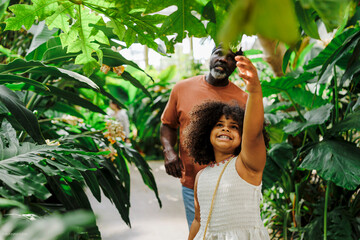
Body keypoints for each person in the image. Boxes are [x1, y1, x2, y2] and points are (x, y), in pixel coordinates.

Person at [160, 44, 248, 228]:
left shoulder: (243, 99)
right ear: (210, 56)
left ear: (236, 65)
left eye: (231, 57)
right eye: (218, 53)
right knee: (198, 233)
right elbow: (167, 124)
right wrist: (169, 151)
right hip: (192, 184)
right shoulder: (182, 88)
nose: (223, 59)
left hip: (228, 185)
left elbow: (249, 141)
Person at [185, 55, 270, 239]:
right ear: (205, 132)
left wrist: (254, 90)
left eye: (234, 127)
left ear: (242, 137)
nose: (225, 129)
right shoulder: (201, 175)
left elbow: (253, 135)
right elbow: (199, 221)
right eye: (219, 125)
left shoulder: (246, 165)